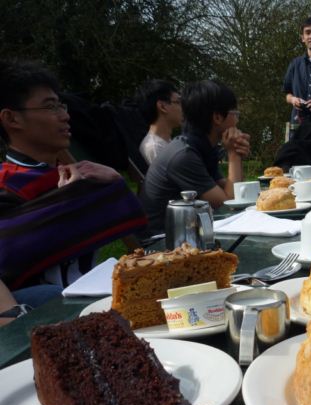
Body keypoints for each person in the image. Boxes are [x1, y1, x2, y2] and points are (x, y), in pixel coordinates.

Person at [0, 60, 147, 288]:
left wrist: (114, 184)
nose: (65, 116)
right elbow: (11, 252)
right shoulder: (7, 187)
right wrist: (76, 199)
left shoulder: (79, 175)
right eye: (50, 107)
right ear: (11, 118)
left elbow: (131, 219)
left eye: (62, 106)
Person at [140, 80, 251, 234]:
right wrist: (233, 155)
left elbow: (232, 191)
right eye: (235, 114)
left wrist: (237, 156)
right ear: (217, 117)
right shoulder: (183, 156)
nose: (237, 120)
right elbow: (229, 203)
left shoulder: (199, 146)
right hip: (162, 244)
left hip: (190, 230)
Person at [135, 79, 183, 164]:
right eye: (178, 102)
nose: (183, 108)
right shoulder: (154, 147)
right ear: (162, 107)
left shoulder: (164, 142)